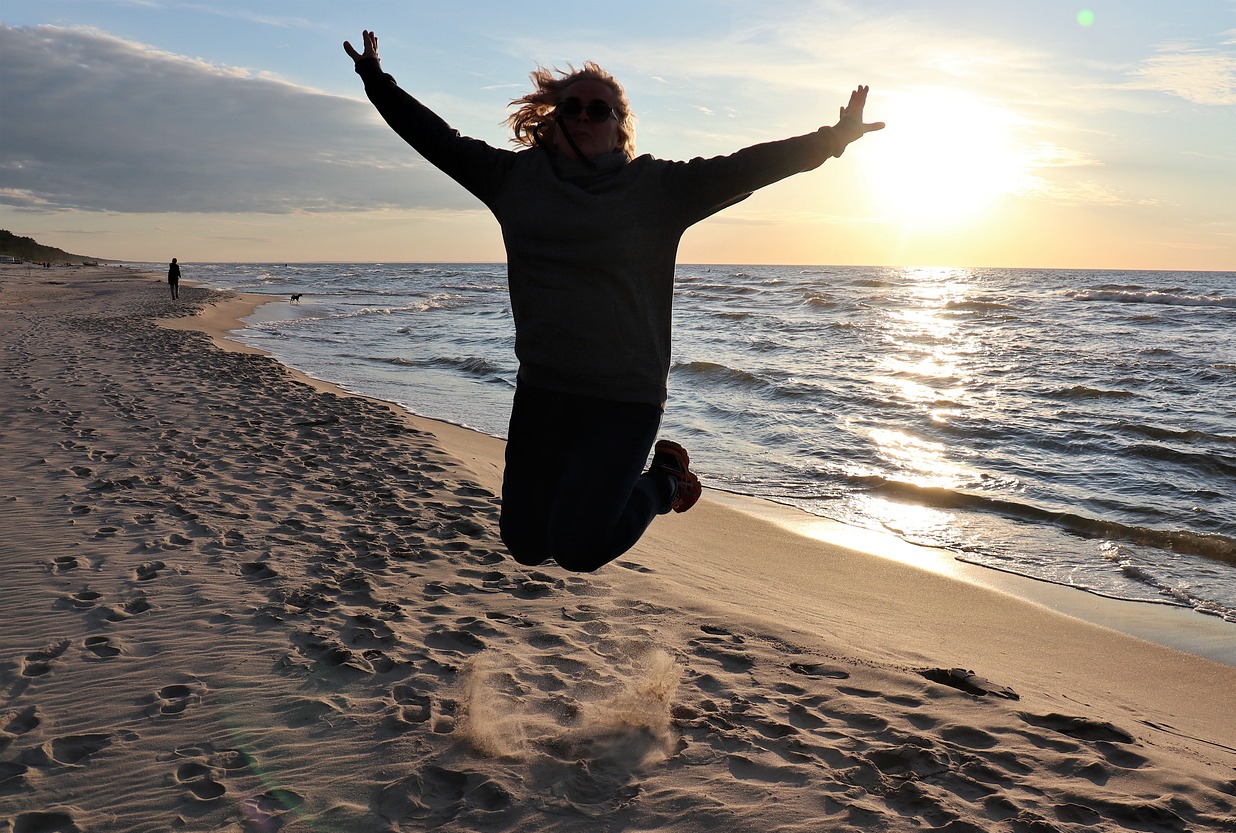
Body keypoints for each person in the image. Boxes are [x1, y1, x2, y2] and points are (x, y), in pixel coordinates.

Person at [343, 30, 883, 573]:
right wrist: (375, 79)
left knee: (579, 548)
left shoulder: (657, 190)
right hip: (543, 389)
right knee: (527, 544)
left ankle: (666, 481)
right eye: (570, 106)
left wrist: (833, 138)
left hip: (623, 398)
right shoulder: (512, 179)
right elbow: (436, 138)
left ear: (619, 125)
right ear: (553, 118)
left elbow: (745, 166)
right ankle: (652, 483)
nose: (582, 116)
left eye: (597, 109)